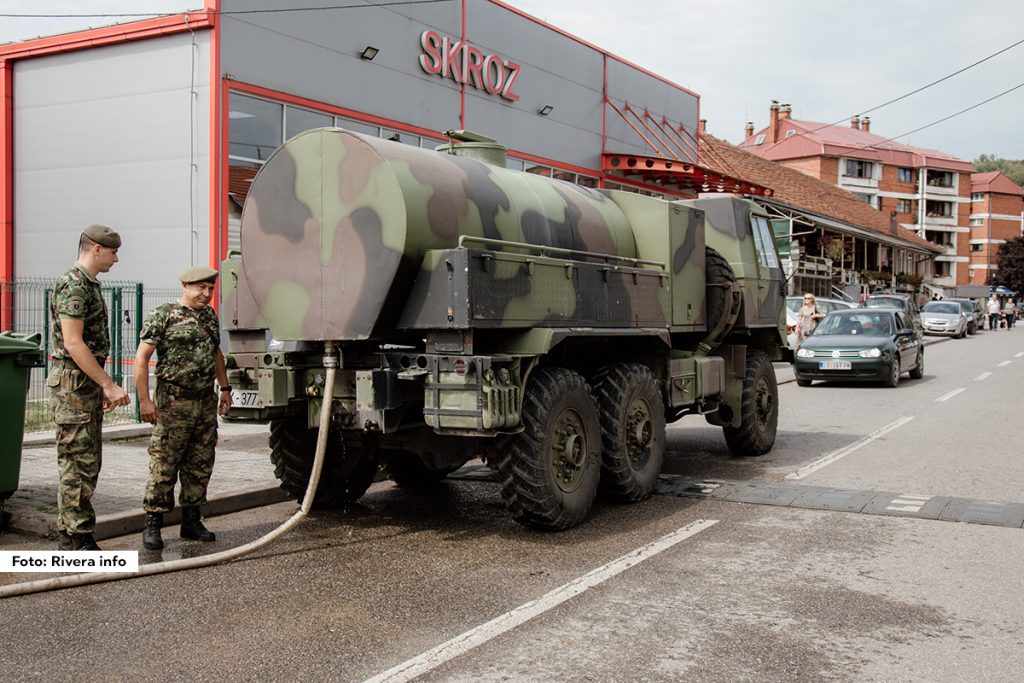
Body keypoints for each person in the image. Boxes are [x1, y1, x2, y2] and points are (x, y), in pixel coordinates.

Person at [134, 266, 232, 550]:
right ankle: (153, 524)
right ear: (185, 286)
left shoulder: (210, 317)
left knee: (200, 463)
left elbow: (216, 354)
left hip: (204, 401)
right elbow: (142, 358)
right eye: (201, 288)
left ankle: (191, 521)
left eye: (210, 289)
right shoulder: (163, 315)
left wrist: (225, 389)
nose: (206, 294)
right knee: (165, 463)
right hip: (173, 401)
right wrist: (144, 400)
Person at [49, 224, 131, 551]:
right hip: (73, 386)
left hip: (82, 386)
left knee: (86, 461)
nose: (116, 258)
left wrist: (99, 387)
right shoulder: (74, 285)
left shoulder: (88, 284)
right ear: (96, 249)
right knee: (77, 464)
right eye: (112, 252)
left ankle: (71, 538)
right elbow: (73, 342)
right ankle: (78, 541)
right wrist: (108, 385)